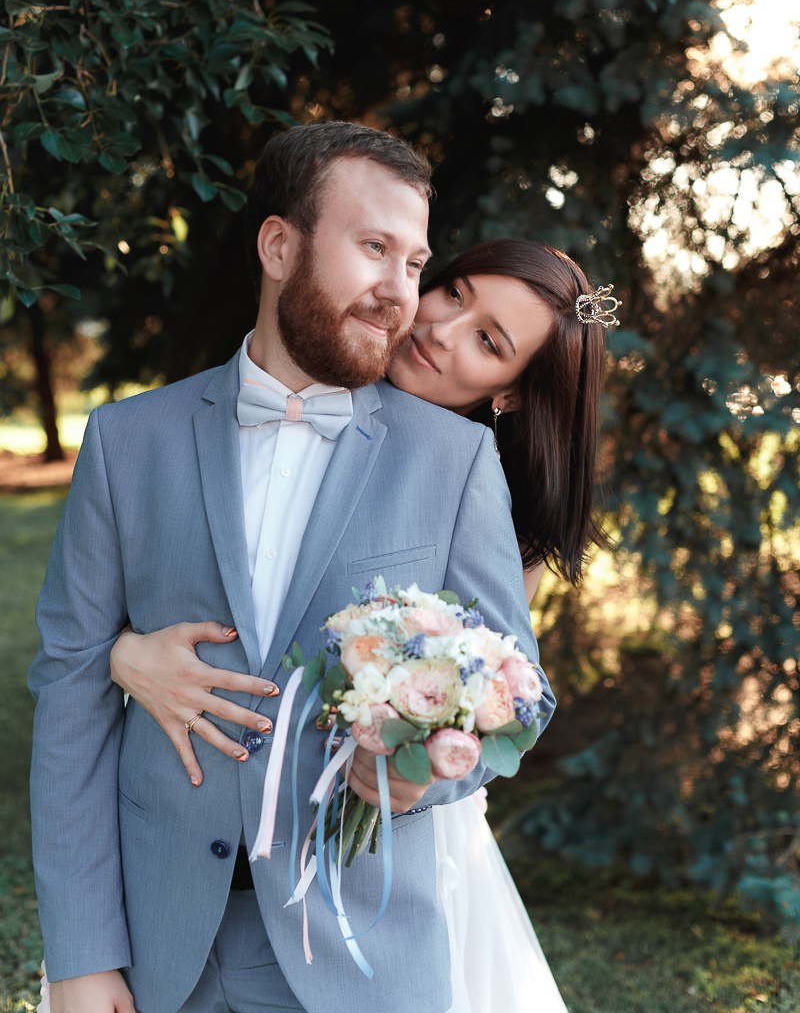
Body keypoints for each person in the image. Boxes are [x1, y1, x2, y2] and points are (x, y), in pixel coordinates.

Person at [28, 121, 556, 1013]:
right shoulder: (128, 441)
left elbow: (522, 692)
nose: (401, 295)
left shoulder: (453, 464)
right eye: (375, 249)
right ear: (279, 244)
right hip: (157, 958)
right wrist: (81, 952)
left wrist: (431, 767)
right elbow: (69, 696)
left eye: (414, 263)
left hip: (361, 959)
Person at [105, 237, 614, 1013]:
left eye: (487, 341)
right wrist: (124, 652)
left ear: (510, 391)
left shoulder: (473, 480)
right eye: (454, 294)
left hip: (383, 854)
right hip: (187, 866)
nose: (441, 329)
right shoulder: (255, 401)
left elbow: (508, 692)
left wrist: (415, 773)